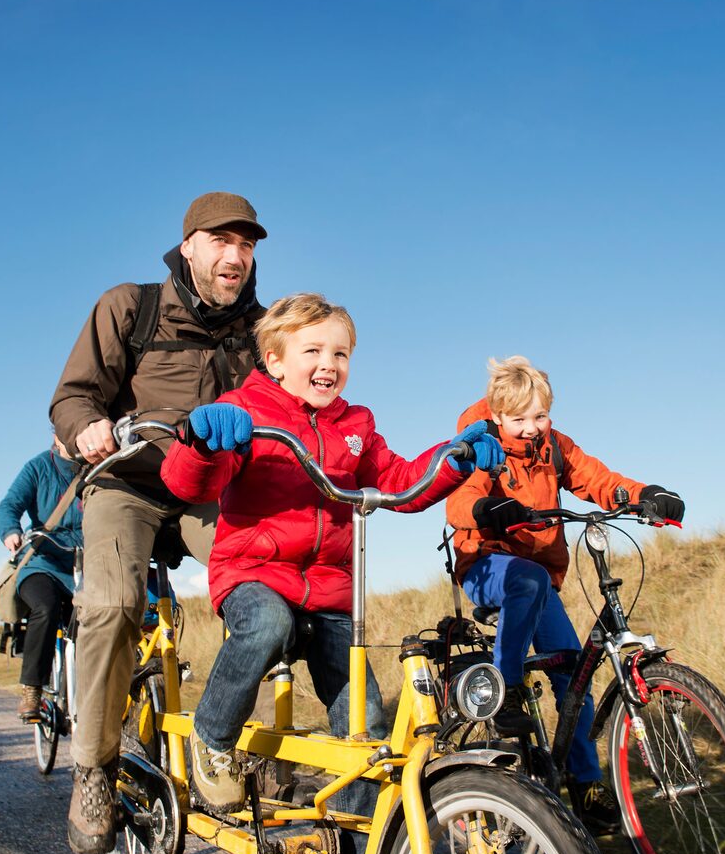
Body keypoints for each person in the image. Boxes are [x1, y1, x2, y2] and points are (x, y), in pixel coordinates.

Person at [160, 293, 505, 814]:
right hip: (254, 573)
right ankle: (212, 738)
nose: (329, 365)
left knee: (364, 720)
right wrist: (203, 443)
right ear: (274, 360)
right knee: (267, 625)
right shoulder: (242, 412)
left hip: (329, 591)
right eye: (313, 352)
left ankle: (357, 839)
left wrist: (454, 459)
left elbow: (400, 482)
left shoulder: (356, 425)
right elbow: (188, 485)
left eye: (340, 354)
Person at [50, 191, 267, 854]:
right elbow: (73, 392)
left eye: (248, 244)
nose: (236, 255)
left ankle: (230, 739)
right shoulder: (129, 307)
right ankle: (94, 767)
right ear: (191, 247)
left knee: (271, 583)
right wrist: (86, 425)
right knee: (113, 604)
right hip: (130, 481)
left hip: (207, 487)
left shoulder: (262, 329)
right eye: (222, 241)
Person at [445, 355, 685, 834]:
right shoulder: (482, 443)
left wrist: (644, 494)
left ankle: (586, 783)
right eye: (519, 419)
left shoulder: (553, 447)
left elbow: (597, 479)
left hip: (537, 573)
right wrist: (491, 509)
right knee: (527, 581)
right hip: (487, 563)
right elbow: (460, 501)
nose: (531, 427)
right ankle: (506, 683)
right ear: (497, 415)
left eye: (540, 416)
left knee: (574, 674)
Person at [0, 434, 82, 722]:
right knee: (44, 607)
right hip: (42, 561)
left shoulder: (95, 467)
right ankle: (32, 689)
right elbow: (9, 505)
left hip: (84, 565)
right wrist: (11, 531)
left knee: (97, 619)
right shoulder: (37, 467)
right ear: (57, 436)